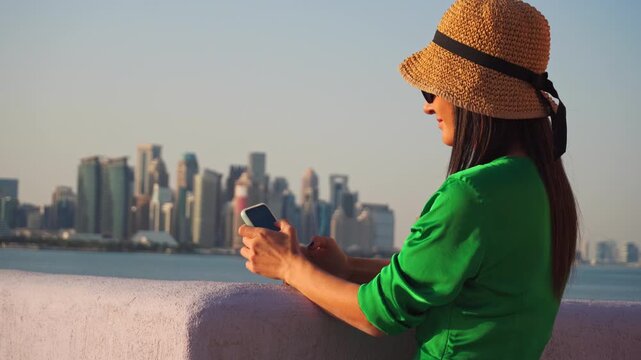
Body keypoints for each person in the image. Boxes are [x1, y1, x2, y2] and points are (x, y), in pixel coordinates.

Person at [238, 0, 578, 358]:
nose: (427, 106)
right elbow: (443, 273)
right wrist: (348, 266)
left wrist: (288, 266)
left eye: (431, 91)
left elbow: (376, 315)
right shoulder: (542, 186)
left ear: (472, 96)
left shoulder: (471, 196)